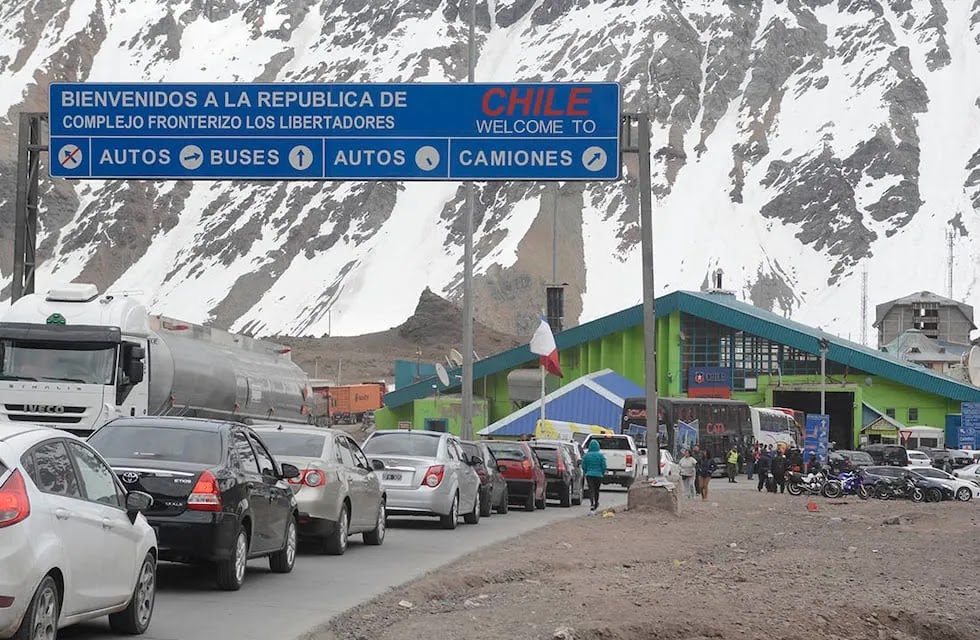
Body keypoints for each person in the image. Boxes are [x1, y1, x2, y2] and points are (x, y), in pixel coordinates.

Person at [581, 439, 607, 511]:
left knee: (591, 489)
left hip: (589, 474)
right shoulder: (601, 456)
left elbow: (583, 465)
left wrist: (586, 471)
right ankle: (596, 502)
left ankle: (592, 503)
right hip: (598, 475)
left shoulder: (586, 456)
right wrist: (602, 472)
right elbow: (604, 466)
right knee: (597, 489)